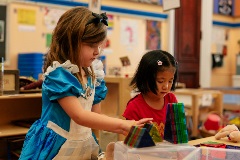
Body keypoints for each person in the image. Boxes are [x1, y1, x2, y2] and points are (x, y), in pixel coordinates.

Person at [19, 7, 152, 160]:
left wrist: (100, 150)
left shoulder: (92, 73)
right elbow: (80, 116)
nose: (97, 52)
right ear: (70, 41)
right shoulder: (58, 75)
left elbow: (95, 117)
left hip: (82, 143)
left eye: (99, 46)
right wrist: (122, 125)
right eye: (91, 45)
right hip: (55, 146)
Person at [122, 50, 178, 140]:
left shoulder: (171, 99)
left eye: (170, 81)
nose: (166, 86)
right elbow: (132, 141)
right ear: (146, 78)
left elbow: (177, 132)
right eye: (160, 81)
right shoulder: (134, 107)